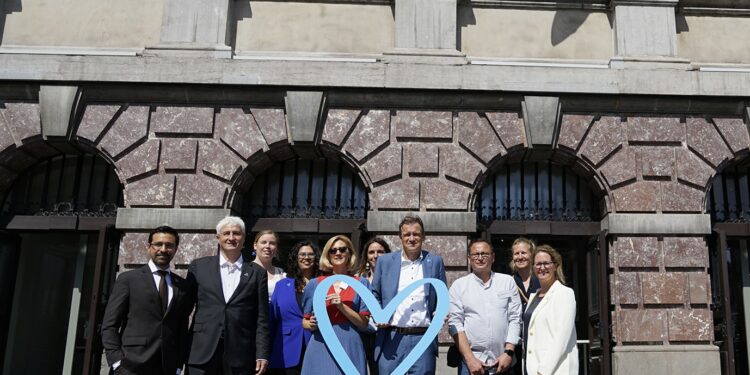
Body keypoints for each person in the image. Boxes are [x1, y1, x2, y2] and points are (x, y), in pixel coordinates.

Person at [101, 225, 194, 375]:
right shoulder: (129, 280)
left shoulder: (182, 286)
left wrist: (178, 365)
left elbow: (181, 329)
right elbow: (109, 325)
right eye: (158, 244)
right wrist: (117, 362)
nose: (163, 249)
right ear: (149, 247)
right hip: (130, 366)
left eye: (169, 245)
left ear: (176, 249)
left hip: (166, 367)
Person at [186, 216, 270, 375]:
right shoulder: (199, 267)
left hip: (240, 353)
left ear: (244, 238)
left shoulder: (257, 273)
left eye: (236, 233)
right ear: (218, 238)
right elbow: (183, 310)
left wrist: (262, 353)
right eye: (226, 233)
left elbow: (262, 317)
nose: (231, 238)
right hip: (201, 350)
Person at [372, 215, 447, 374]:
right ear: (400, 237)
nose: (412, 238)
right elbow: (374, 294)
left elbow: (442, 296)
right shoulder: (384, 262)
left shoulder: (435, 262)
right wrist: (378, 314)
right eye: (407, 234)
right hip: (391, 339)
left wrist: (441, 311)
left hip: (423, 339)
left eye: (416, 234)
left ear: (423, 236)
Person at [449, 240, 522, 375]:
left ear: (493, 257)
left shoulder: (507, 282)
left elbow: (515, 319)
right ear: (469, 259)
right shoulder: (459, 286)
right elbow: (455, 324)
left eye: (485, 254)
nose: (480, 258)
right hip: (471, 364)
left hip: (503, 362)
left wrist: (508, 352)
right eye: (476, 254)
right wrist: (470, 360)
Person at [300, 235, 370, 374]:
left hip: (349, 345)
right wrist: (311, 324)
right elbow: (304, 321)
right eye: (333, 250)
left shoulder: (361, 283)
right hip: (321, 344)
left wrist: (342, 307)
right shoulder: (315, 284)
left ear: (349, 253)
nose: (338, 253)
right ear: (328, 255)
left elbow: (364, 323)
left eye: (342, 249)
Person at [524, 245, 578, 375]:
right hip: (532, 368)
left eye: (546, 263)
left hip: (555, 369)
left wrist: (543, 371)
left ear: (555, 266)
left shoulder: (564, 293)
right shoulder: (533, 297)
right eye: (537, 264)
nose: (542, 268)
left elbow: (562, 337)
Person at [268, 241, 320, 375]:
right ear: (295, 259)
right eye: (302, 254)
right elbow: (271, 320)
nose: (306, 257)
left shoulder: (324, 284)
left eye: (310, 254)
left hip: (317, 347)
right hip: (285, 349)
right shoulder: (282, 285)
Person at [356, 237, 392, 375]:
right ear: (366, 256)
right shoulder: (358, 278)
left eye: (380, 252)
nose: (375, 256)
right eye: (371, 252)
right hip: (362, 333)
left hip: (386, 333)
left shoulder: (394, 278)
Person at [509, 237, 540, 375]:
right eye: (516, 254)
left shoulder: (542, 281)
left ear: (531, 255)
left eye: (524, 253)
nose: (520, 257)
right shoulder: (508, 282)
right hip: (515, 344)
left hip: (538, 341)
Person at [253, 230, 286, 300]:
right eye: (263, 242)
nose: (267, 246)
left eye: (272, 243)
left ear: (276, 248)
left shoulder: (281, 273)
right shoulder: (245, 270)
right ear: (255, 246)